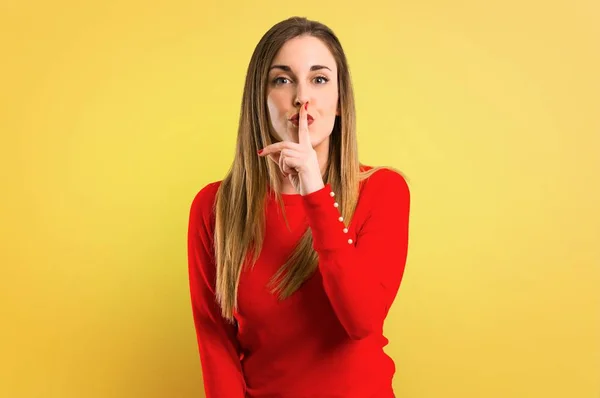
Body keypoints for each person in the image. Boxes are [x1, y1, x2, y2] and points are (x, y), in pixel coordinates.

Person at [187, 16, 410, 398]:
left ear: (340, 103)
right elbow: (216, 343)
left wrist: (313, 189)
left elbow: (360, 321)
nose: (301, 97)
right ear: (261, 98)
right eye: (282, 79)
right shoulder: (214, 207)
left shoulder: (383, 190)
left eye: (319, 79)